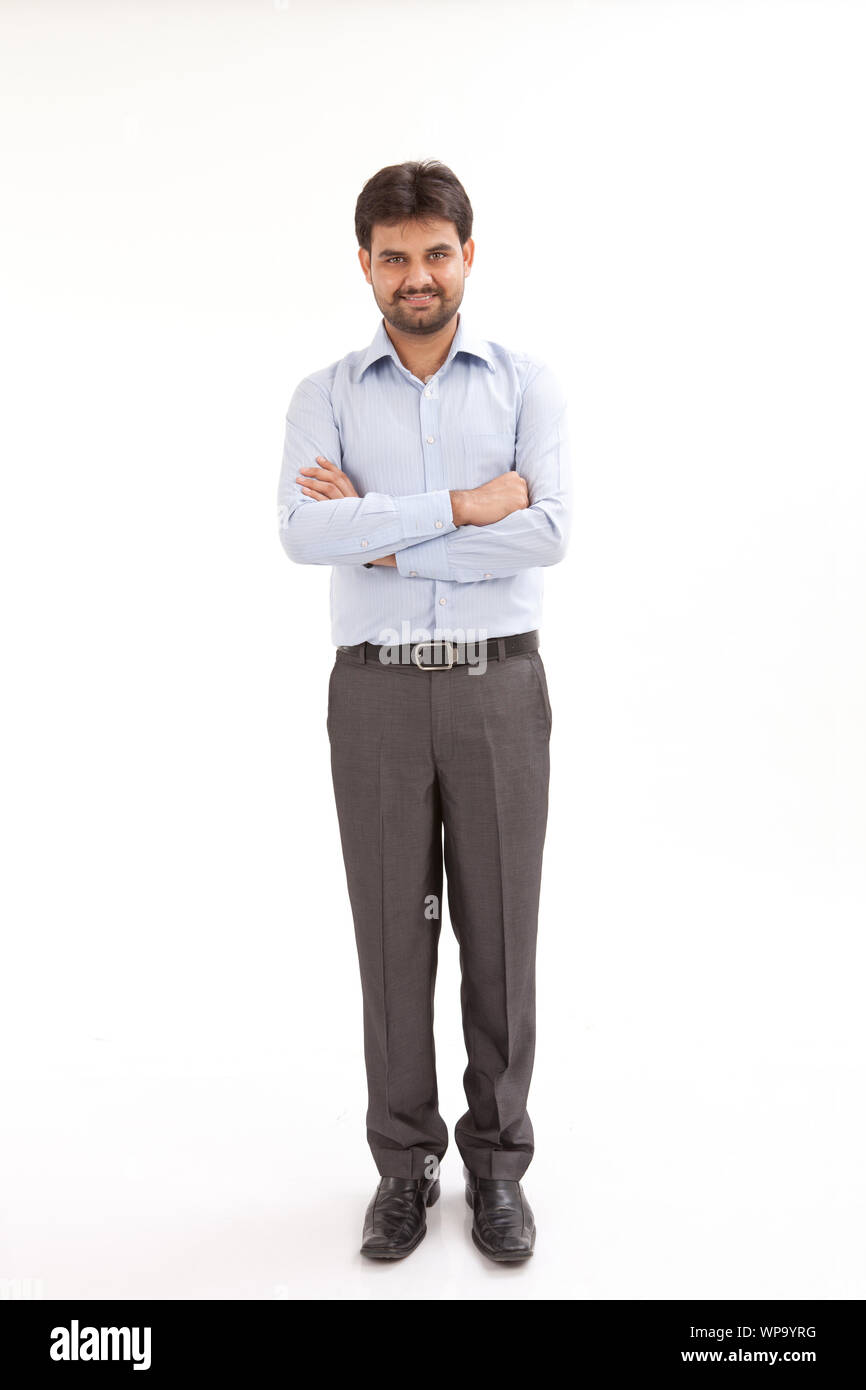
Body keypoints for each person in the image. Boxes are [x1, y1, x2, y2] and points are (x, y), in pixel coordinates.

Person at [277, 159, 572, 1263]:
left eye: (434, 253)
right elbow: (305, 534)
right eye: (392, 256)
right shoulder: (325, 396)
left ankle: (497, 1167)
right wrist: (458, 507)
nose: (415, 276)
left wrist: (381, 526)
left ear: (467, 256)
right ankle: (403, 1168)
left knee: (499, 933)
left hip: (500, 687)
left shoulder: (526, 385)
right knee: (394, 944)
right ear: (364, 264)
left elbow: (545, 532)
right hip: (376, 698)